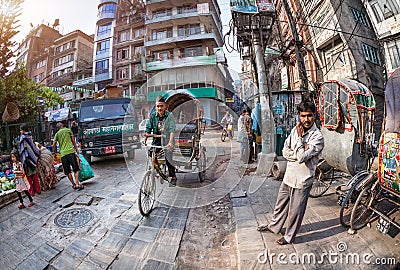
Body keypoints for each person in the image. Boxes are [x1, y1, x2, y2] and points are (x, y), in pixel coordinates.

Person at [257, 100, 324, 245]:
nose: (306, 119)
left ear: (314, 116)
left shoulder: (317, 137)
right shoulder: (295, 129)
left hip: (303, 179)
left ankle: (289, 236)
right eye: (303, 116)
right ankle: (274, 226)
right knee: (280, 204)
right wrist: (297, 153)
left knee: (296, 211)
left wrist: (299, 142)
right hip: (290, 175)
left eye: (310, 116)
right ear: (299, 116)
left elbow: (302, 157)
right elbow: (285, 150)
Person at [145, 95, 177, 186]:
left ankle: (173, 176)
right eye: (158, 106)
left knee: (168, 158)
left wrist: (170, 142)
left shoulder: (169, 116)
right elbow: (148, 128)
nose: (159, 108)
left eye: (161, 106)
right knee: (151, 153)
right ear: (155, 107)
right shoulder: (153, 116)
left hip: (167, 140)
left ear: (165, 106)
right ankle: (159, 170)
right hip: (157, 140)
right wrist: (146, 138)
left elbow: (172, 130)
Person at [52, 121, 84, 190]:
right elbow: (73, 141)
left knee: (68, 171)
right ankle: (77, 183)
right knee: (75, 168)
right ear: (63, 125)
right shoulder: (68, 130)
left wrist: (54, 153)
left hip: (63, 155)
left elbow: (53, 144)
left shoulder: (57, 134)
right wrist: (76, 149)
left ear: (58, 128)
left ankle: (73, 184)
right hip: (71, 152)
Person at [18, 124, 41, 196]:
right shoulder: (30, 136)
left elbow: (22, 150)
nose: (20, 131)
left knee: (29, 178)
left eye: (21, 130)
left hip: (26, 161)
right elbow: (33, 147)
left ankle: (31, 192)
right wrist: (37, 154)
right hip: (32, 159)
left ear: (23, 130)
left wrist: (22, 158)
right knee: (35, 176)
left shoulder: (22, 137)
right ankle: (38, 190)